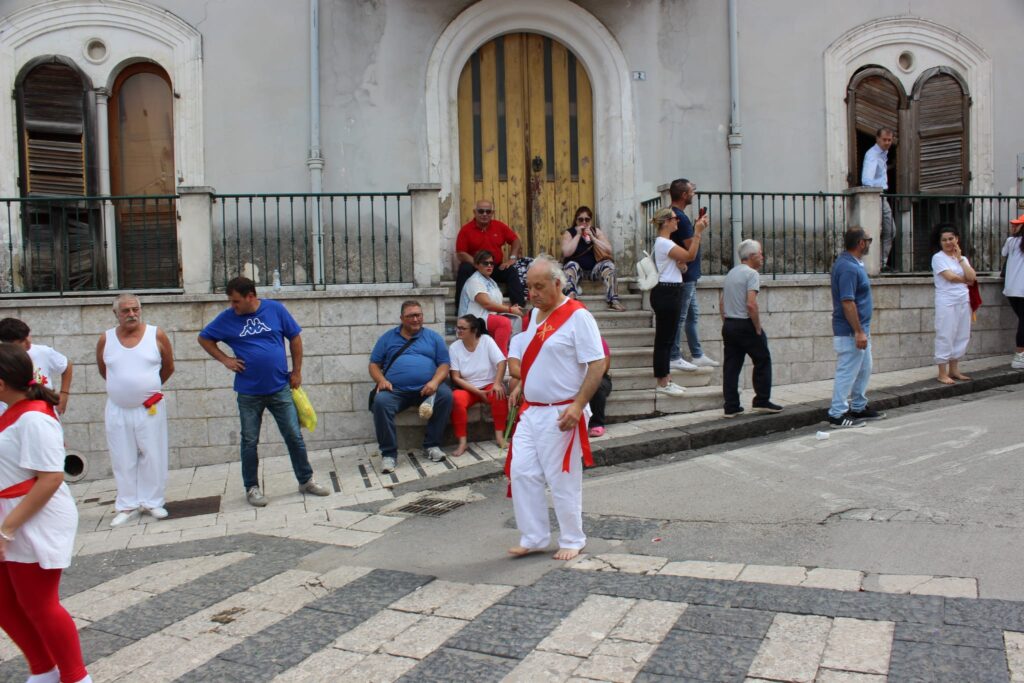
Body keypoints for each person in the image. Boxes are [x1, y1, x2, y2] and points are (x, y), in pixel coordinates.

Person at [0, 345, 91, 683]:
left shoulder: (34, 418)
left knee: (39, 603)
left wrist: (7, 529)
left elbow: (51, 478)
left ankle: (75, 677)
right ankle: (43, 671)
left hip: (33, 517)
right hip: (14, 513)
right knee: (5, 603)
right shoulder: (16, 410)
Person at [506, 256, 605, 561]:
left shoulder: (578, 316)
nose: (531, 293)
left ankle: (573, 538)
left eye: (538, 287)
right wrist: (524, 384)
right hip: (532, 410)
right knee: (521, 472)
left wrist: (578, 405)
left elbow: (597, 363)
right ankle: (534, 537)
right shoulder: (533, 316)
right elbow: (528, 358)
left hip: (562, 410)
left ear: (557, 284)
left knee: (562, 477)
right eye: (529, 287)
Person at [198, 277, 330, 507]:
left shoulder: (275, 309)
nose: (233, 306)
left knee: (294, 436)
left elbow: (295, 337)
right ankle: (252, 487)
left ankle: (306, 480)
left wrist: (297, 371)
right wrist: (225, 359)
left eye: (236, 301)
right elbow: (204, 338)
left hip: (280, 387)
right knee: (249, 441)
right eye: (231, 302)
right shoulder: (228, 318)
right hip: (248, 392)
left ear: (251, 296)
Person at [96, 294, 174, 526]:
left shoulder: (155, 334)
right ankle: (127, 504)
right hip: (118, 408)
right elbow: (104, 370)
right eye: (126, 311)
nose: (131, 314)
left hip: (149, 407)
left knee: (153, 453)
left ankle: (153, 501)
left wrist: (146, 387)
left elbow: (168, 367)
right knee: (122, 456)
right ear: (116, 314)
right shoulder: (106, 339)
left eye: (135, 309)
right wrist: (123, 389)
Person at [368, 300, 453, 474]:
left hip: (427, 389)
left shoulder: (433, 337)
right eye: (411, 316)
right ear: (402, 318)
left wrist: (435, 382)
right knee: (380, 402)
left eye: (418, 315)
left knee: (446, 395)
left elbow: (444, 364)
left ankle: (432, 446)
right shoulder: (388, 338)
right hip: (396, 391)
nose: (415, 319)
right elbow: (374, 364)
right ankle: (389, 454)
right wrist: (381, 381)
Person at [828, 228, 886, 428]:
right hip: (851, 331)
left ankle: (859, 407)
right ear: (861, 243)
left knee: (864, 368)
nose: (870, 243)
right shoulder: (848, 268)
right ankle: (837, 414)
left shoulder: (853, 264)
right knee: (848, 371)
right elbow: (847, 302)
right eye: (869, 240)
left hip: (860, 330)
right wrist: (859, 331)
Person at [719, 240, 782, 417]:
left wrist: (727, 322)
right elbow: (751, 304)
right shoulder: (751, 274)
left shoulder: (731, 273)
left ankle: (731, 405)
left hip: (730, 324)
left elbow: (722, 302)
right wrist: (757, 327)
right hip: (745, 323)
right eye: (760, 253)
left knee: (731, 366)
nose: (762, 257)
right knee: (762, 359)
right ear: (752, 256)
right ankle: (761, 400)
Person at [650, 208, 706, 397]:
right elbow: (690, 256)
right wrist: (697, 233)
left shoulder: (664, 243)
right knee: (664, 339)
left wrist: (680, 265)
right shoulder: (664, 243)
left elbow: (683, 262)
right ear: (666, 222)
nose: (677, 222)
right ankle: (662, 381)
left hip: (670, 291)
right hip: (667, 292)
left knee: (668, 337)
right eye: (674, 219)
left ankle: (666, 378)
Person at [668, 178, 718, 371]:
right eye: (691, 191)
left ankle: (697, 354)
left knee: (692, 315)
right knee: (681, 317)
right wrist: (699, 230)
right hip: (685, 276)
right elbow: (691, 249)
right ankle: (674, 356)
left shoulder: (672, 214)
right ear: (684, 195)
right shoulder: (680, 217)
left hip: (686, 275)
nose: (693, 194)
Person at [449, 314, 508, 457]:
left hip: (489, 385)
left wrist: (497, 383)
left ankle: (500, 437)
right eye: (458, 328)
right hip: (468, 388)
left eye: (463, 328)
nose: (459, 331)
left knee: (499, 394)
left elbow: (501, 362)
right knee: (456, 399)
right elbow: (455, 377)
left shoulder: (486, 340)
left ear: (474, 330)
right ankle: (462, 442)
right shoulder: (454, 347)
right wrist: (477, 391)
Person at [454, 199, 525, 311]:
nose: (484, 214)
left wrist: (512, 258)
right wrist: (478, 264)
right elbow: (460, 253)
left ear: (492, 213)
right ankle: (459, 308)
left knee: (511, 270)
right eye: (481, 211)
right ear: (474, 212)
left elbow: (515, 240)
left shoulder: (499, 226)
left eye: (488, 211)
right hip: (475, 267)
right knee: (464, 268)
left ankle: (519, 307)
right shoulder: (466, 230)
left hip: (494, 267)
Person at [0, 318, 73, 416]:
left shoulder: (43, 352)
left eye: (28, 335)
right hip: (9, 416)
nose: (28, 342)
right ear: (8, 344)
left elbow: (66, 365)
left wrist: (64, 395)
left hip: (43, 412)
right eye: (22, 340)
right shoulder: (3, 360)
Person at [932, 225, 976, 384]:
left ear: (957, 239)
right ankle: (942, 372)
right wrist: (966, 280)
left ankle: (954, 369)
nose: (948, 242)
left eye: (951, 239)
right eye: (944, 240)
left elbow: (972, 276)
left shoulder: (961, 258)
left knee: (961, 333)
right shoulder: (938, 258)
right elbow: (949, 277)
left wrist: (960, 259)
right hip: (946, 300)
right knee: (945, 333)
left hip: (963, 299)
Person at [561, 206, 626, 311]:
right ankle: (571, 299)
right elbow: (567, 252)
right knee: (571, 265)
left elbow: (608, 249)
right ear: (576, 220)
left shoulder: (595, 231)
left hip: (593, 271)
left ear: (590, 221)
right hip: (576, 271)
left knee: (609, 265)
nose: (584, 222)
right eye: (580, 219)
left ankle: (613, 300)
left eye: (587, 219)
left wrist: (593, 238)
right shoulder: (570, 233)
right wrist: (578, 235)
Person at [458, 249, 523, 354]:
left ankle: (513, 353)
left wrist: (513, 308)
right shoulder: (475, 281)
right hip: (474, 318)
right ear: (477, 265)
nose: (489, 266)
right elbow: (486, 304)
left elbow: (497, 303)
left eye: (492, 263)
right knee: (504, 322)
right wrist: (510, 309)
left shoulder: (491, 281)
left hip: (488, 317)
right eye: (485, 263)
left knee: (518, 319)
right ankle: (501, 356)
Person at [861, 127, 896, 269]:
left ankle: (881, 262)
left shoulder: (882, 154)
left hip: (881, 195)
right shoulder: (873, 155)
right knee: (883, 230)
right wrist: (873, 196)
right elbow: (867, 179)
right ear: (877, 139)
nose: (887, 142)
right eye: (884, 140)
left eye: (889, 140)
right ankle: (876, 264)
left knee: (889, 230)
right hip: (877, 195)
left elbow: (879, 173)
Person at [1002, 214, 1024, 369]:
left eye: (1017, 225)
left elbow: (1004, 254)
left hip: (1011, 289)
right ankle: (1019, 355)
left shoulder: (1011, 241)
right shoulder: (1014, 241)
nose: (1013, 227)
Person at [587, 338, 612, 437]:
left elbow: (604, 368)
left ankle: (597, 423)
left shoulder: (598, 341)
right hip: (576, 378)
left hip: (599, 377)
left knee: (597, 384)